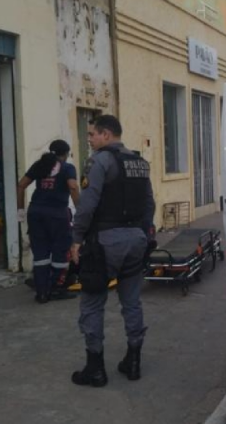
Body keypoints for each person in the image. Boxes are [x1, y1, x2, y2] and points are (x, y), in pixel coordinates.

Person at [70, 114, 155, 387]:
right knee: (131, 301)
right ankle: (133, 361)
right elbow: (149, 204)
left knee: (93, 302)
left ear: (106, 134)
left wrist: (76, 239)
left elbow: (86, 205)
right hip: (136, 240)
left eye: (93, 134)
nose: (91, 139)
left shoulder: (100, 161)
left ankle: (95, 368)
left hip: (104, 243)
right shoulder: (140, 163)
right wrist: (143, 234)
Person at [17, 139, 80, 304]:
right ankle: (56, 289)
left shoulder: (39, 165)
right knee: (60, 252)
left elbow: (21, 185)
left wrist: (20, 210)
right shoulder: (67, 168)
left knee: (40, 254)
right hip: (57, 215)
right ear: (65, 154)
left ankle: (42, 293)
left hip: (35, 213)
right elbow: (73, 187)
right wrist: (81, 210)